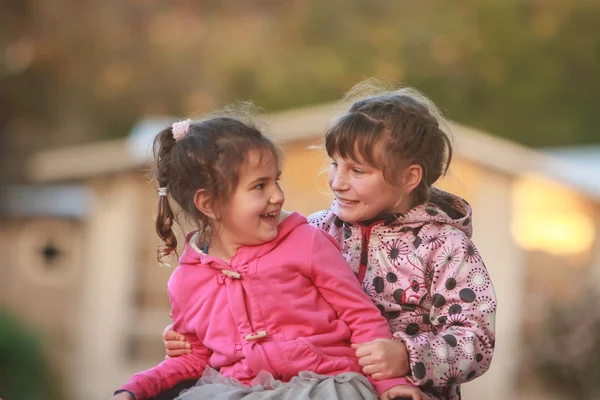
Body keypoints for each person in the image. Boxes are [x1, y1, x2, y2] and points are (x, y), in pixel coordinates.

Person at [164, 83, 497, 400]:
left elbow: (476, 340)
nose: (337, 182)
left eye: (358, 171)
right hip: (318, 384)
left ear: (409, 177)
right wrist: (199, 336)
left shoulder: (446, 246)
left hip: (408, 391)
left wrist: (407, 356)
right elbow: (253, 290)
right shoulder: (315, 229)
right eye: (335, 165)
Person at [112, 114, 427, 400]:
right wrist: (136, 389)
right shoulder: (186, 280)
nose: (277, 195)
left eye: (276, 180)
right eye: (259, 186)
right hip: (239, 390)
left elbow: (361, 318)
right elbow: (193, 358)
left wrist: (390, 384)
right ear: (208, 203)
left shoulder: (306, 242)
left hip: (322, 384)